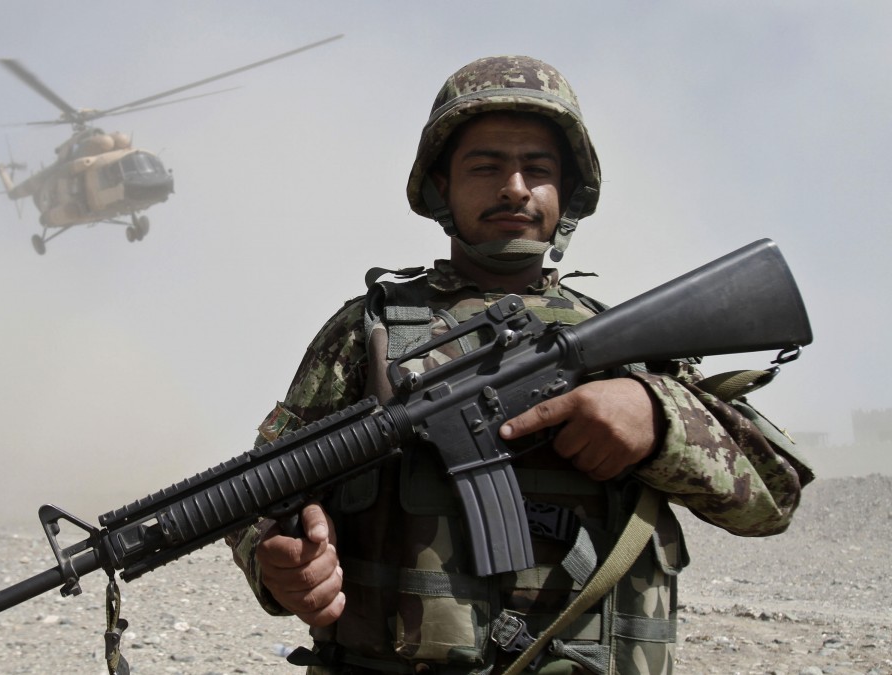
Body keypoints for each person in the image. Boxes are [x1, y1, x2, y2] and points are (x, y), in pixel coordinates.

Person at [226, 56, 813, 675]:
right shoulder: (369, 332)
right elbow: (257, 488)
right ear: (439, 187)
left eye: (537, 168)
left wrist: (657, 418)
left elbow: (777, 495)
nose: (513, 187)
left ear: (569, 191)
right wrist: (275, 556)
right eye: (485, 166)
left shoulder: (632, 346)